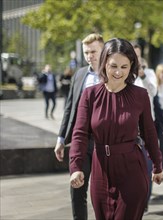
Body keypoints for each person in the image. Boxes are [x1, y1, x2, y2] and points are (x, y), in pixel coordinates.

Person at [69, 38, 163, 220]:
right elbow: (79, 133)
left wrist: (157, 166)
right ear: (104, 63)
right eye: (113, 66)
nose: (118, 72)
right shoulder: (90, 95)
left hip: (132, 170)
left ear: (131, 67)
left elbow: (149, 133)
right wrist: (76, 167)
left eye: (124, 66)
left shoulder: (140, 95)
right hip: (100, 170)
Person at [54, 33, 104, 220]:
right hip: (80, 139)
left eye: (93, 51)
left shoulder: (114, 74)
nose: (90, 56)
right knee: (76, 189)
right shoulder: (79, 75)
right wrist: (61, 139)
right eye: (86, 52)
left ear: (103, 49)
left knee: (103, 193)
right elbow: (69, 108)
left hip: (105, 142)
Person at [132, 43, 158, 213]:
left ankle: (145, 198)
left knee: (147, 164)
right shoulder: (123, 74)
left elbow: (153, 91)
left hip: (147, 125)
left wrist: (142, 76)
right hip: (129, 126)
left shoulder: (148, 73)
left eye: (138, 55)